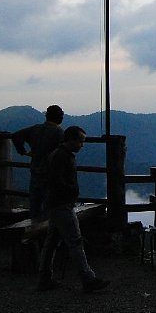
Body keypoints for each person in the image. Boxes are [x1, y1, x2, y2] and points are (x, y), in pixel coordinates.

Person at [37, 125, 109, 293]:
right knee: (75, 241)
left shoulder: (58, 154)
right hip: (62, 205)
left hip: (54, 204)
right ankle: (88, 279)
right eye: (80, 141)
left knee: (51, 243)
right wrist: (71, 191)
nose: (82, 145)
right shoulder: (62, 157)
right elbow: (57, 181)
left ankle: (44, 279)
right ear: (71, 140)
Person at [12, 105, 64, 219]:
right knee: (49, 206)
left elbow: (16, 136)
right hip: (51, 174)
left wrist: (23, 152)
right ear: (60, 117)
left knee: (35, 204)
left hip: (35, 170)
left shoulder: (36, 129)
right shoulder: (59, 132)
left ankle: (33, 229)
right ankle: (45, 232)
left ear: (47, 116)